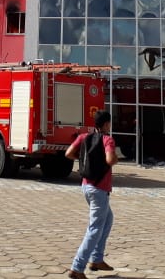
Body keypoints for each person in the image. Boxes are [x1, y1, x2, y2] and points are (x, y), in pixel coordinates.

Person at [64, 109, 119, 279]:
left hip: (86, 186)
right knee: (94, 228)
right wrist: (117, 158)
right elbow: (110, 160)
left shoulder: (83, 137)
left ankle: (96, 259)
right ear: (106, 124)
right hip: (100, 189)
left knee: (108, 219)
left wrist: (84, 161)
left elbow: (68, 154)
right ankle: (77, 267)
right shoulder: (107, 139)